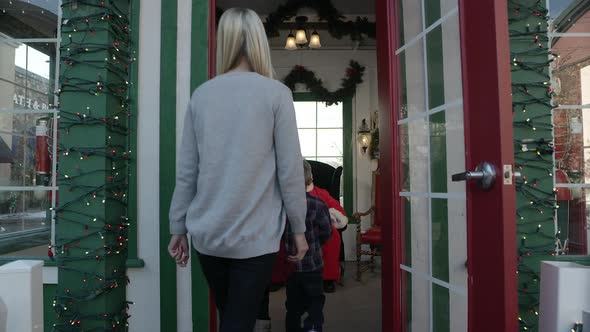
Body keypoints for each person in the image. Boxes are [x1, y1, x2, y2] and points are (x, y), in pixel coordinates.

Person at [166, 8, 309, 332]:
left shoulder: (201, 96)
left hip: (208, 236)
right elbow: (290, 171)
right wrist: (297, 228)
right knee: (238, 321)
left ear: (224, 42)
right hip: (256, 238)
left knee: (232, 317)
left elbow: (187, 171)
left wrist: (178, 227)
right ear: (260, 41)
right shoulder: (277, 94)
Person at [284, 162, 333, 332]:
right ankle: (313, 327)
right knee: (315, 300)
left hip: (292, 265)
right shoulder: (319, 204)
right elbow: (327, 231)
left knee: (292, 304)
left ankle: (293, 327)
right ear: (310, 179)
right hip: (313, 265)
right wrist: (317, 243)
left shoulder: (284, 206)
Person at [303, 160, 348, 293]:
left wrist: (336, 216)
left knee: (332, 235)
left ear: (312, 177)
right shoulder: (285, 192)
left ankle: (327, 278)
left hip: (317, 226)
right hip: (293, 225)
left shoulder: (321, 193)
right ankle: (278, 277)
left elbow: (337, 209)